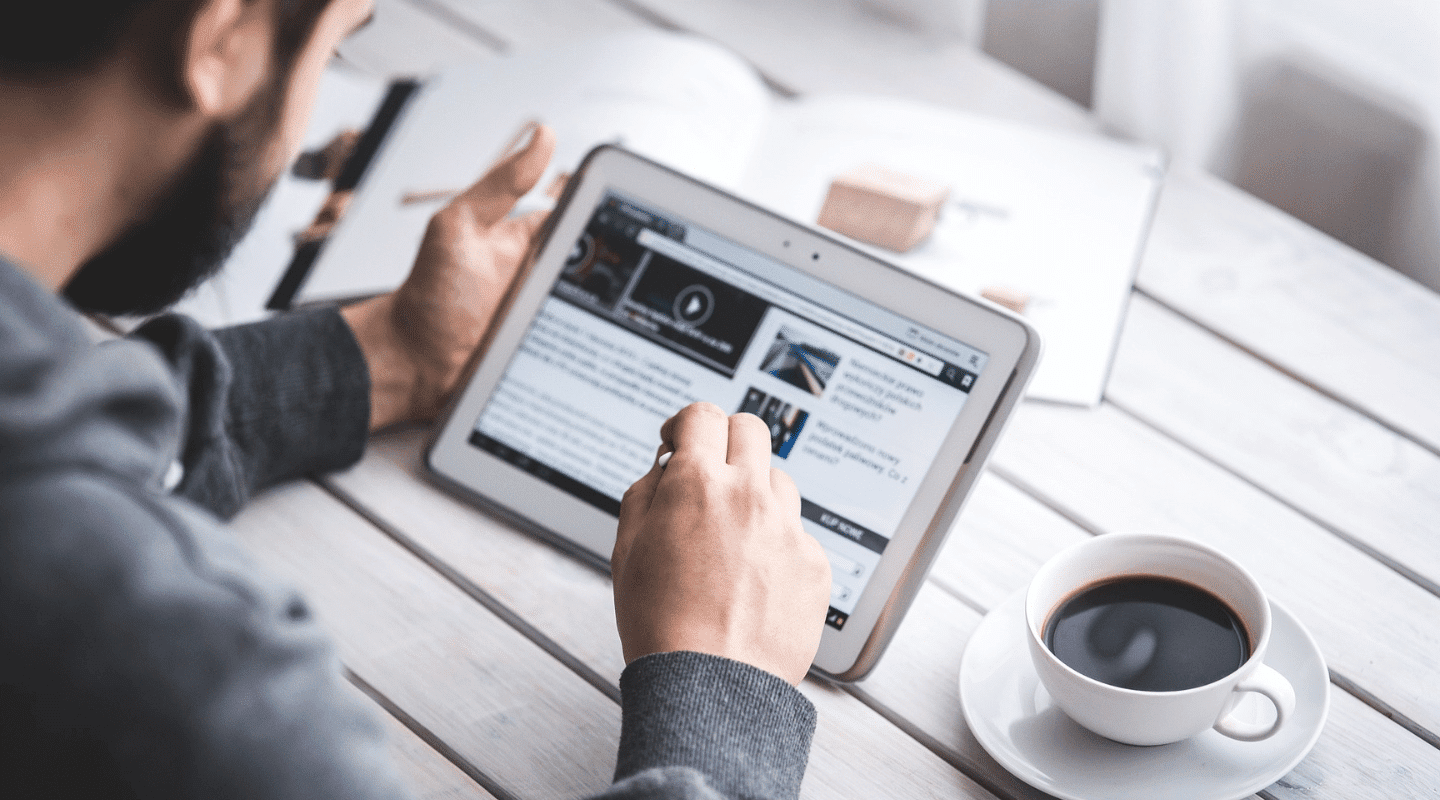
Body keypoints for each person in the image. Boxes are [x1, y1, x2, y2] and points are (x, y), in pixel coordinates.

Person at [0, 1, 833, 798]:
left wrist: (389, 353)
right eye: (334, 46)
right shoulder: (184, 676)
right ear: (221, 38)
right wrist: (725, 686)